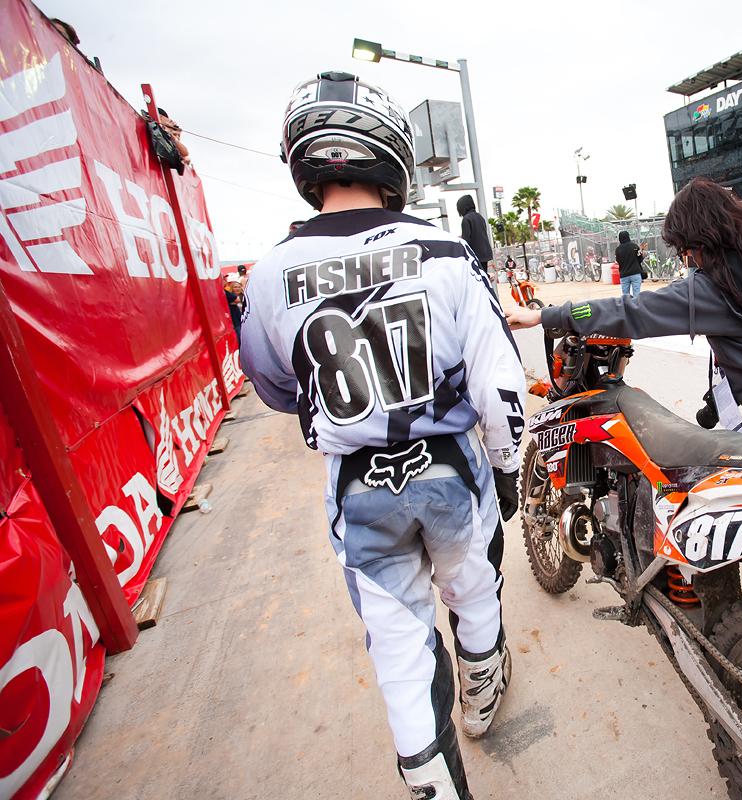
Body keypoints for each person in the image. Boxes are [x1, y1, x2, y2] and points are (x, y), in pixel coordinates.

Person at [239, 71, 525, 799]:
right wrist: (510, 466)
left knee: (400, 654)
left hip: (356, 485)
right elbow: (500, 384)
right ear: (391, 153)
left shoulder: (270, 273)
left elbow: (275, 385)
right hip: (453, 471)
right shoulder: (444, 251)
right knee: (474, 591)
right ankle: (482, 701)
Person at [506, 177, 742, 626]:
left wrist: (545, 314)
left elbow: (629, 311)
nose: (686, 258)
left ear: (700, 239)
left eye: (685, 249)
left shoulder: (713, 288)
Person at [457, 194, 494, 273]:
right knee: (483, 276)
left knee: (477, 278)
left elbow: (466, 240)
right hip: (485, 253)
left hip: (475, 255)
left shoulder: (466, 219)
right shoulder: (479, 216)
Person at [615, 230, 644, 297]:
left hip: (624, 274)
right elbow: (640, 258)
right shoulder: (634, 246)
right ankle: (636, 307)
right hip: (635, 273)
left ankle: (627, 307)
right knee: (636, 295)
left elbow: (618, 261)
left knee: (625, 296)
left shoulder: (618, 249)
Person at [223, 276, 243, 343]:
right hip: (235, 321)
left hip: (241, 320)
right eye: (235, 287)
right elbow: (237, 300)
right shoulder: (225, 293)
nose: (237, 288)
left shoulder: (244, 296)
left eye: (238, 286)